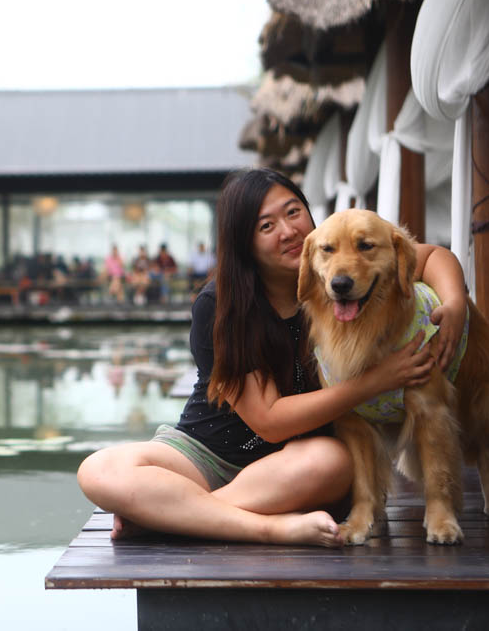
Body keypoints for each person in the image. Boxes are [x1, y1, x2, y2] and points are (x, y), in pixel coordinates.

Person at [77, 168, 468, 547]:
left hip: (293, 467)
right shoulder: (220, 305)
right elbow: (269, 422)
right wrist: (376, 381)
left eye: (293, 211)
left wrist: (454, 304)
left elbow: (430, 257)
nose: (288, 231)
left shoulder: (340, 276)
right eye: (266, 226)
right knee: (98, 470)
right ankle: (270, 529)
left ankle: (172, 516)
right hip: (206, 454)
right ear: (244, 242)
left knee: (334, 463)